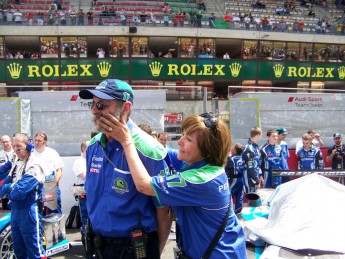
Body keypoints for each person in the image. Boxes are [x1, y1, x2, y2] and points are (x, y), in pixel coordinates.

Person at [104, 112, 247, 258]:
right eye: (183, 134)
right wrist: (128, 121)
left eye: (188, 139)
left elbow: (143, 185)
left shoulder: (201, 180)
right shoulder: (199, 164)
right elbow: (157, 150)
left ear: (206, 149)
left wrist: (127, 141)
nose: (180, 141)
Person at [78, 79, 171, 259]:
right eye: (93, 104)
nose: (94, 111)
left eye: (101, 105)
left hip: (134, 248)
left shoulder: (149, 149)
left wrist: (154, 252)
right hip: (96, 245)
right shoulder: (93, 146)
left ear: (126, 108)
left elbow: (164, 211)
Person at [0, 133, 46, 259]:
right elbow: (7, 181)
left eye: (18, 146)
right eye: (14, 146)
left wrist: (8, 188)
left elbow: (18, 193)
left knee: (34, 250)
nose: (15, 149)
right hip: (15, 210)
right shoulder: (16, 160)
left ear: (28, 145)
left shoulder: (35, 164)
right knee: (19, 250)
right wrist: (9, 186)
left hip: (29, 209)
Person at [31, 132, 64, 216]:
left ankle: (56, 228)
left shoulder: (52, 153)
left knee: (54, 209)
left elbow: (59, 170)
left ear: (45, 142)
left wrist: (54, 183)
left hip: (50, 183)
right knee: (38, 208)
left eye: (39, 140)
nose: (37, 142)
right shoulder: (30, 153)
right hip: (35, 184)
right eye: (35, 140)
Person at [72, 141, 89, 248]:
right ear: (83, 149)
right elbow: (85, 177)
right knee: (85, 216)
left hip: (92, 192)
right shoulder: (79, 162)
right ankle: (86, 240)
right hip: (83, 191)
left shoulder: (91, 160)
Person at [225, 143, 244, 213]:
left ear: (235, 150)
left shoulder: (231, 159)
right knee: (240, 196)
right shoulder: (243, 159)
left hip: (234, 179)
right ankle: (238, 212)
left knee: (229, 195)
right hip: (242, 179)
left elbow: (226, 169)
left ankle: (229, 212)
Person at [242, 127, 262, 193]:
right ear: (258, 135)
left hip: (255, 175)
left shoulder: (255, 147)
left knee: (255, 199)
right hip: (250, 177)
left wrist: (260, 175)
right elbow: (250, 167)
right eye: (261, 135)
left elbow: (257, 163)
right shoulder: (249, 148)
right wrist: (256, 181)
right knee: (252, 198)